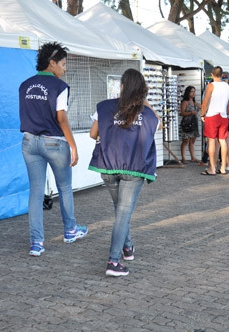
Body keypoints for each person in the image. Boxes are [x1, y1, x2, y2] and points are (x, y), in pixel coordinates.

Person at [88, 68, 161, 277]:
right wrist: (145, 104)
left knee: (120, 209)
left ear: (121, 86)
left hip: (108, 166)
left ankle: (127, 247)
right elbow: (159, 125)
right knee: (122, 212)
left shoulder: (104, 107)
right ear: (142, 90)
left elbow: (94, 134)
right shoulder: (147, 113)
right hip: (134, 168)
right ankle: (113, 261)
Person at [19, 42, 88, 257]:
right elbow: (62, 119)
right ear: (52, 63)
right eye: (63, 64)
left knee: (36, 192)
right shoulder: (60, 87)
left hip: (29, 142)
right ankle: (70, 231)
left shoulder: (24, 85)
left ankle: (36, 243)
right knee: (65, 187)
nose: (65, 69)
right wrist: (73, 146)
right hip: (55, 143)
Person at [200, 66, 229, 175]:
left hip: (212, 115)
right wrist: (226, 113)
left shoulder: (211, 86)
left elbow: (206, 102)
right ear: (222, 75)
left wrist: (202, 114)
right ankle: (223, 167)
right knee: (223, 141)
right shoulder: (227, 86)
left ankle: (212, 168)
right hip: (223, 116)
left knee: (211, 141)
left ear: (212, 75)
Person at [179, 86, 201, 163]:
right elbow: (181, 113)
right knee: (185, 141)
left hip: (194, 123)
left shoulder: (195, 103)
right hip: (187, 124)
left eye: (194, 91)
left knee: (192, 141)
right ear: (188, 93)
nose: (194, 93)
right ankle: (183, 158)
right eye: (192, 91)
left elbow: (203, 107)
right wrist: (191, 112)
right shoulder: (185, 102)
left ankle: (193, 157)